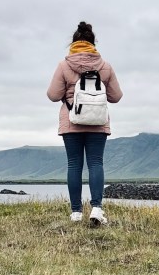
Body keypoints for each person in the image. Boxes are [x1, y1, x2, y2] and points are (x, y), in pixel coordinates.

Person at [47, 22, 123, 225]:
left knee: (74, 165)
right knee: (96, 163)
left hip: (72, 120)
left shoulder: (64, 65)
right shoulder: (105, 66)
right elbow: (116, 97)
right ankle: (96, 208)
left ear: (73, 43)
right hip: (98, 122)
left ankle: (76, 212)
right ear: (93, 43)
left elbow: (53, 95)